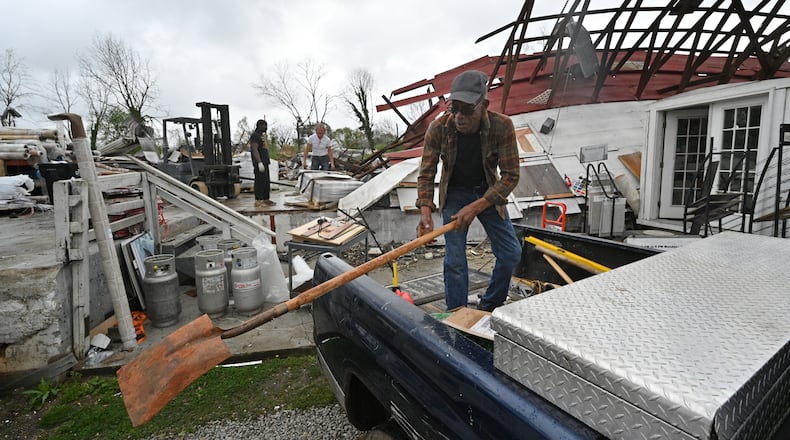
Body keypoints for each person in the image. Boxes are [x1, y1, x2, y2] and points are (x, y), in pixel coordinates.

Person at [416, 70, 522, 312]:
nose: (459, 116)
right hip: (454, 194)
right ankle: (457, 314)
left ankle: (490, 305)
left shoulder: (502, 126)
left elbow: (511, 176)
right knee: (454, 261)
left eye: (467, 110)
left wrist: (476, 207)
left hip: (488, 192)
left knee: (511, 253)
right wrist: (425, 214)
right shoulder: (438, 128)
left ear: (483, 105)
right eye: (455, 108)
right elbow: (427, 172)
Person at [250, 119, 274, 207]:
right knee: (259, 181)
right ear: (259, 126)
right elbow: (254, 149)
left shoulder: (262, 136)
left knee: (266, 181)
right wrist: (259, 162)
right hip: (259, 163)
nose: (266, 128)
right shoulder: (255, 136)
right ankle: (258, 200)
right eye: (264, 126)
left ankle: (266, 199)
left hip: (265, 162)